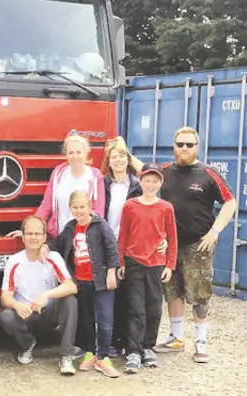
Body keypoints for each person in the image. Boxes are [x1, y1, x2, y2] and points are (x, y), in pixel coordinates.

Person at [124, 127, 237, 363]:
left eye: (189, 144)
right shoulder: (164, 171)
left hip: (198, 246)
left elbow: (230, 202)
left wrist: (215, 231)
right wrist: (122, 149)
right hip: (168, 247)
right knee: (172, 291)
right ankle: (176, 337)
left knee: (200, 295)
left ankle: (201, 341)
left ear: (197, 146)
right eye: (180, 144)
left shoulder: (208, 174)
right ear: (173, 145)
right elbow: (142, 170)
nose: (184, 148)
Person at [0, 215, 80, 375]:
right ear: (22, 236)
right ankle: (27, 344)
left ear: (44, 237)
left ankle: (66, 355)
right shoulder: (15, 261)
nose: (33, 237)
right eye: (29, 233)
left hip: (47, 314)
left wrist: (47, 295)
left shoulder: (53, 257)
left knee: (70, 300)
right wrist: (17, 305)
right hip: (25, 316)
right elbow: (4, 297)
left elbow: (71, 286)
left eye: (37, 234)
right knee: (6, 316)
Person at [52, 190, 120, 378]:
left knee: (105, 319)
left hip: (101, 281)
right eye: (75, 207)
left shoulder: (100, 225)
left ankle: (104, 357)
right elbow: (56, 244)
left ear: (90, 207)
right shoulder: (70, 228)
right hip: (81, 282)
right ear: (70, 208)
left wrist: (112, 272)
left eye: (83, 207)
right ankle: (90, 352)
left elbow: (112, 248)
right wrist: (43, 246)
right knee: (86, 319)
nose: (79, 211)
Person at [117, 163, 178, 374]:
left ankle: (148, 347)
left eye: (155, 181)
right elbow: (123, 235)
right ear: (140, 181)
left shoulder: (166, 208)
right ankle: (133, 350)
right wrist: (121, 262)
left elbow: (172, 238)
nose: (150, 184)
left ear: (160, 183)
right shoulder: (130, 206)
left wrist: (170, 265)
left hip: (156, 265)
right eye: (147, 180)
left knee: (154, 308)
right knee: (135, 308)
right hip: (134, 262)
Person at [8, 133, 105, 240]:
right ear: (66, 154)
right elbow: (46, 206)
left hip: (84, 240)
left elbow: (98, 212)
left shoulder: (95, 176)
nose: (75, 156)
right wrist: (30, 230)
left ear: (86, 153)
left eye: (78, 152)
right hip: (59, 237)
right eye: (70, 153)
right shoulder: (59, 173)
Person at [101, 138, 142, 356]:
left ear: (128, 159)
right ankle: (114, 341)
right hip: (110, 244)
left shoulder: (137, 184)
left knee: (131, 295)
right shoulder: (103, 184)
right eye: (114, 156)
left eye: (122, 156)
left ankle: (131, 341)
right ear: (108, 161)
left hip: (132, 245)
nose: (118, 160)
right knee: (112, 294)